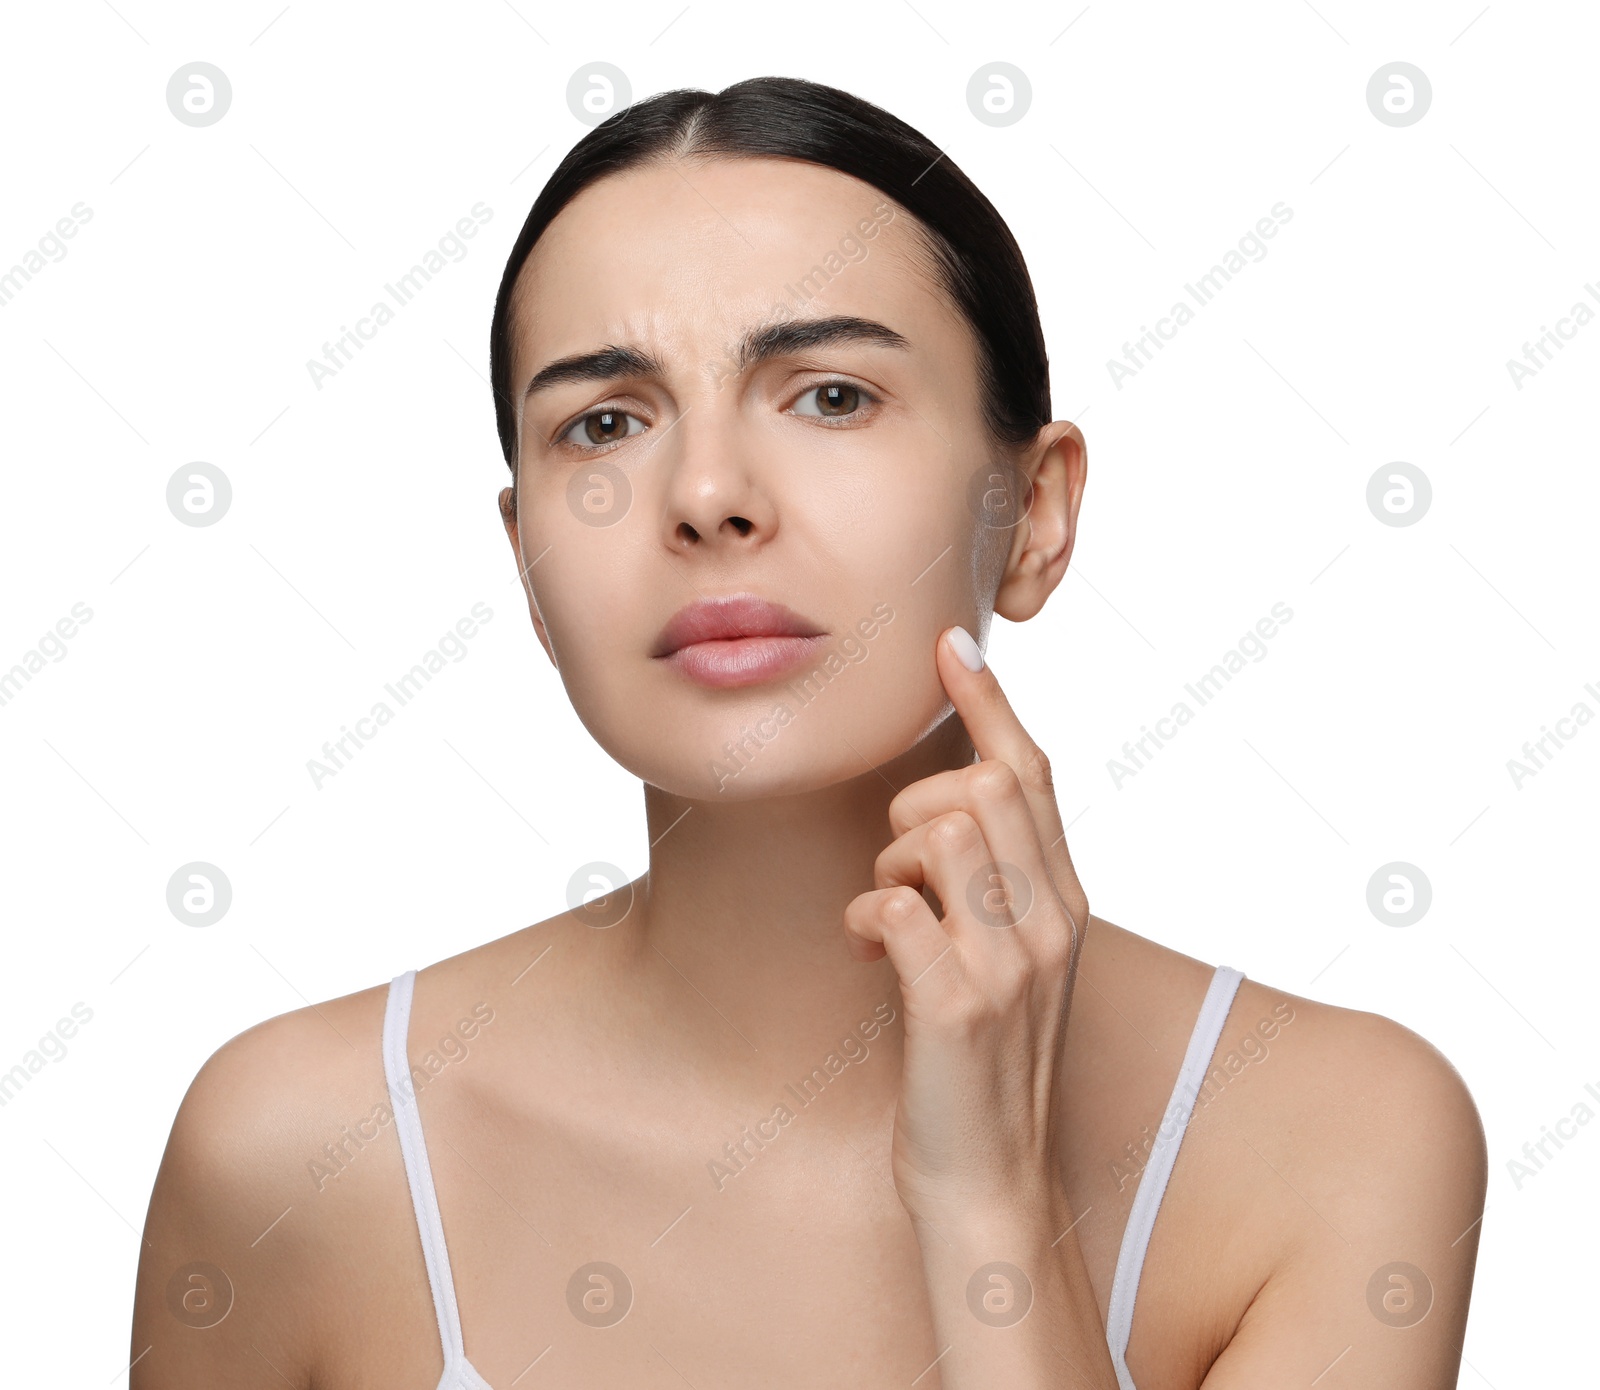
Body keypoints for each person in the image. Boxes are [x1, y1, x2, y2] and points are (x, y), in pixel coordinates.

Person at [131, 76, 1487, 1389]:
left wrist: (989, 1200)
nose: (708, 492)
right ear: (530, 562)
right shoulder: (293, 1155)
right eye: (605, 422)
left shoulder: (1343, 1140)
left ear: (1036, 512)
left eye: (831, 394)